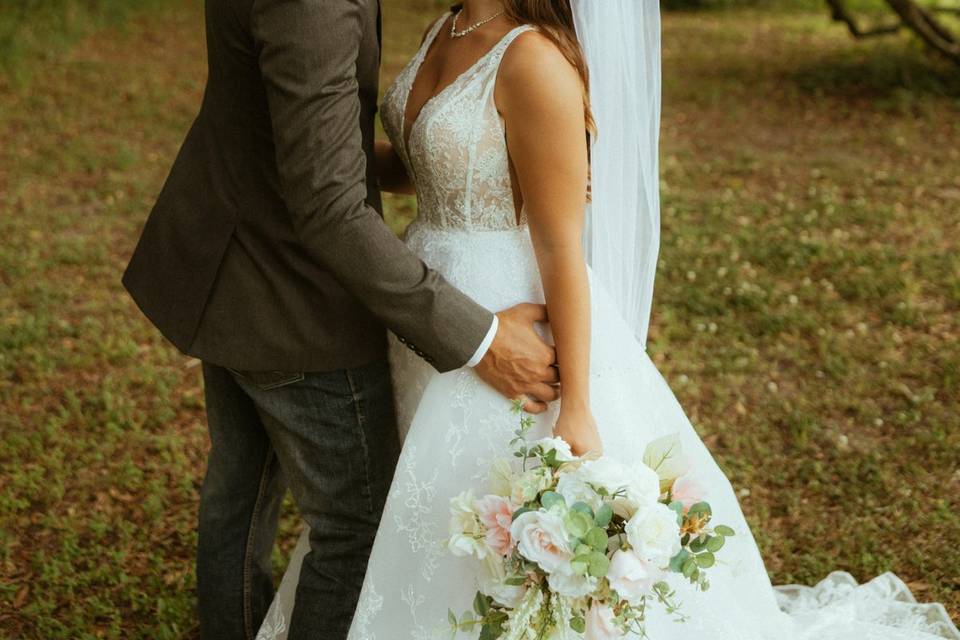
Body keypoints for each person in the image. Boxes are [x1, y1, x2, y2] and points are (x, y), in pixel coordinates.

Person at [255, 1, 960, 639]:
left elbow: (563, 249)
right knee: (416, 511)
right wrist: (313, 163)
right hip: (426, 305)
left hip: (508, 317)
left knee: (488, 519)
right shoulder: (451, 23)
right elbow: (431, 161)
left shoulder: (534, 59)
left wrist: (579, 410)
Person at [121, 0, 559, 638]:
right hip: (293, 295)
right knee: (358, 530)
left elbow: (307, 134)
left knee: (238, 497)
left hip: (235, 264)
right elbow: (328, 204)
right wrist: (481, 339)